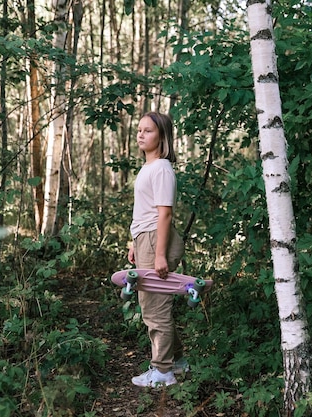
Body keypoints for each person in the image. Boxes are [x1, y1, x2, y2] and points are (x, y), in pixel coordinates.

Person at [127, 111, 187, 387]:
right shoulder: (149, 167)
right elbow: (146, 210)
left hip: (156, 240)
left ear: (162, 137)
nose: (141, 134)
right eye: (139, 130)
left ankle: (163, 371)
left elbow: (164, 214)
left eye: (148, 130)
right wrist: (134, 243)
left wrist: (159, 254)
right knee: (152, 304)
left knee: (154, 308)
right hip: (146, 240)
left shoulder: (162, 168)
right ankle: (178, 361)